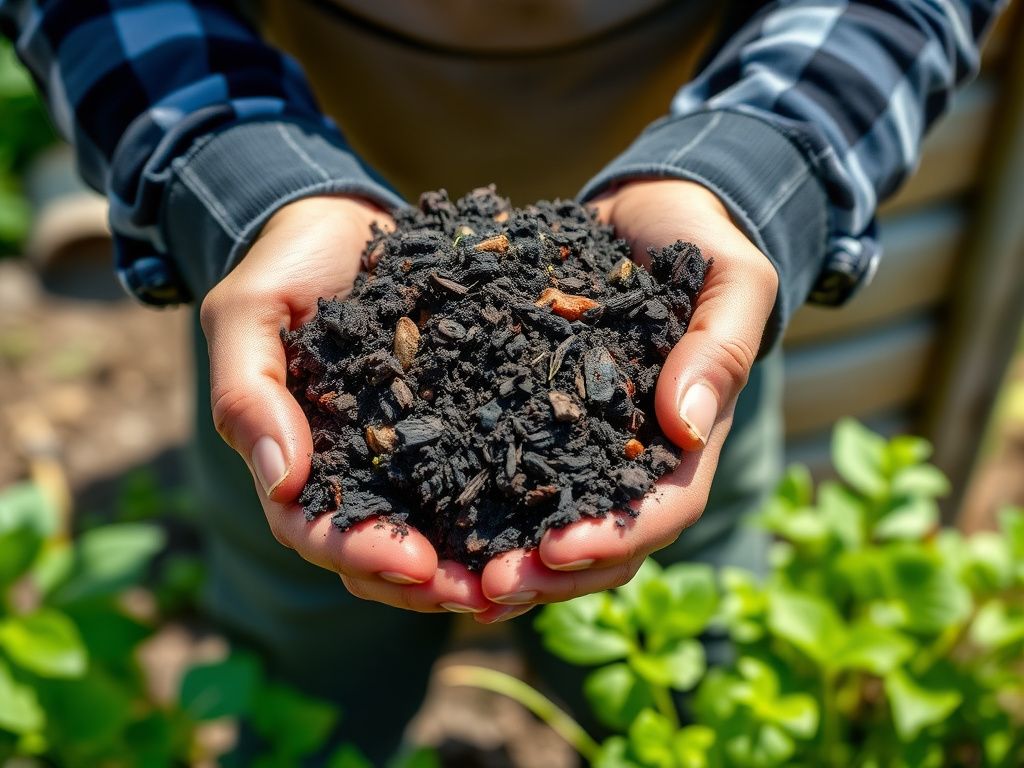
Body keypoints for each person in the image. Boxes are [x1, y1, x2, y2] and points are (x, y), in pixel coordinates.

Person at [1, 0, 1003, 759]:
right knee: (300, 658)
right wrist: (240, 185)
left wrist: (747, 172)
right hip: (290, 283)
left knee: (683, 661)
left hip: (672, 300)